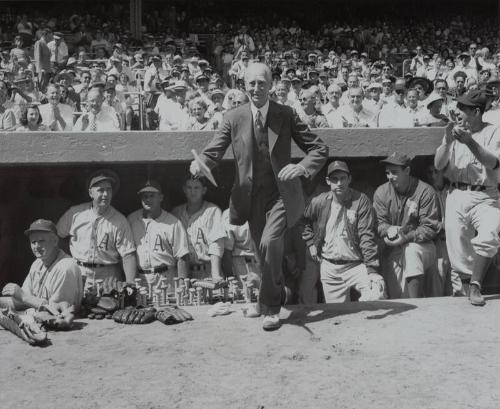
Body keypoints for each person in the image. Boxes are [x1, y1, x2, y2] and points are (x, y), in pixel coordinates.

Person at [189, 63, 328, 330]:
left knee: (269, 242)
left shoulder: (285, 114)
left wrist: (301, 167)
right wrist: (199, 163)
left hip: (281, 195)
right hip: (250, 196)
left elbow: (319, 148)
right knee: (260, 251)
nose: (256, 88)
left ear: (271, 83)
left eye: (261, 83)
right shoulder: (233, 116)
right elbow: (214, 150)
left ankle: (272, 308)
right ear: (244, 85)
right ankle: (265, 301)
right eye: (251, 83)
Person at [434, 90, 500, 306]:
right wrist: (446, 139)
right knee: (458, 250)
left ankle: (476, 285)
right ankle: (464, 291)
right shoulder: (454, 131)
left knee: (489, 234)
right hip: (457, 193)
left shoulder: (493, 131)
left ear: (477, 112)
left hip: (485, 195)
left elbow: (493, 163)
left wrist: (469, 142)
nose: (458, 111)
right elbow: (438, 165)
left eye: (463, 108)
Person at [301, 161, 384, 303]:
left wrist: (372, 270)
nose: (339, 183)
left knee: (376, 292)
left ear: (349, 179)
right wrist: (310, 243)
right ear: (328, 181)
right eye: (334, 179)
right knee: (338, 316)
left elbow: (366, 236)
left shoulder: (361, 201)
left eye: (343, 178)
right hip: (330, 267)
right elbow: (302, 220)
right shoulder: (320, 201)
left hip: (356, 265)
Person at [373, 153, 440, 299]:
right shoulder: (382, 192)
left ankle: (417, 304)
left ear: (407, 171)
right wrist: (388, 229)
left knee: (411, 251)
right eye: (387, 172)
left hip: (423, 246)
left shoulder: (425, 191)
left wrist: (406, 237)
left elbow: (430, 228)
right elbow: (379, 223)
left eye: (395, 172)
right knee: (398, 297)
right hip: (393, 247)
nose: (390, 176)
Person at [56, 170, 137, 287]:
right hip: (79, 272)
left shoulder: (120, 220)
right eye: (101, 190)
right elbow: (56, 237)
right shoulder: (75, 213)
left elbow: (128, 255)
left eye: (109, 190)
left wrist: (130, 285)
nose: (106, 194)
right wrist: (66, 259)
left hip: (108, 276)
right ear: (91, 193)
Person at [0, 219, 83, 310]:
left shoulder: (66, 268)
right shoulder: (38, 263)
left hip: (59, 322)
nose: (36, 246)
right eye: (33, 242)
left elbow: (58, 312)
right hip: (36, 318)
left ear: (55, 241)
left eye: (41, 241)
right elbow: (24, 302)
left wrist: (23, 296)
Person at [128, 180, 190, 290]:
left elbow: (182, 256)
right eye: (145, 196)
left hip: (165, 277)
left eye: (152, 196)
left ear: (161, 197)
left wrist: (182, 284)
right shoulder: (131, 220)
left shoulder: (173, 222)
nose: (148, 199)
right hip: (140, 278)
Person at [172, 176, 226, 283]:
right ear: (184, 189)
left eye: (196, 188)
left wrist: (215, 275)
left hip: (207, 271)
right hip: (184, 272)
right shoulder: (176, 212)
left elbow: (216, 244)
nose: (193, 192)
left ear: (204, 190)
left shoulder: (213, 211)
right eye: (189, 187)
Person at [33, 28, 53, 92]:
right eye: (50, 35)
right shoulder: (39, 43)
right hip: (42, 70)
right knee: (41, 88)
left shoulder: (46, 44)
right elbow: (37, 58)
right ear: (45, 35)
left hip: (47, 70)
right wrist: (40, 70)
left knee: (45, 88)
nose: (51, 37)